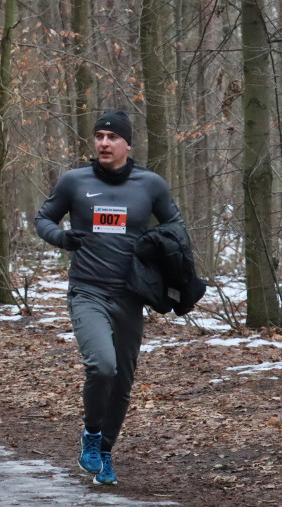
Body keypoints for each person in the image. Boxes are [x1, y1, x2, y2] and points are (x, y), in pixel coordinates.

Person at [35, 109, 192, 486]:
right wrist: (61, 238)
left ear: (128, 144)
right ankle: (91, 434)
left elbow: (176, 226)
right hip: (88, 290)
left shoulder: (150, 185)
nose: (104, 143)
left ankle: (104, 451)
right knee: (102, 365)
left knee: (121, 381)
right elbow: (43, 219)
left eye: (112, 137)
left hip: (130, 296)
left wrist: (156, 246)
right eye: (99, 136)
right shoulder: (75, 181)